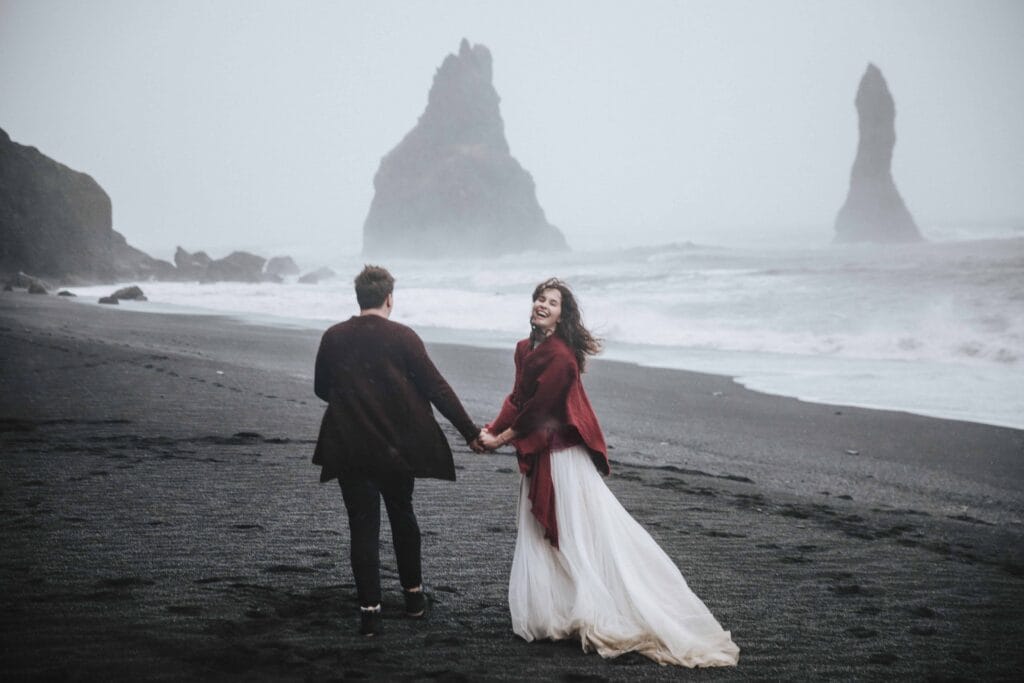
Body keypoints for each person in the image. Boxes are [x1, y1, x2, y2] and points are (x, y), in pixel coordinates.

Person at [478, 277, 739, 667]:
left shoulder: (563, 358)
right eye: (540, 299)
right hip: (541, 452)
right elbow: (517, 399)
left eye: (552, 302)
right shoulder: (523, 349)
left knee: (581, 534)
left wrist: (499, 440)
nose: (543, 305)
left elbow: (541, 412)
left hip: (564, 459)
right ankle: (555, 612)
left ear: (562, 316)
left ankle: (597, 606)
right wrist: (491, 429)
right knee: (544, 535)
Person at [313, 265, 482, 637]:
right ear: (390, 298)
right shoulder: (404, 337)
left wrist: (357, 396)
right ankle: (414, 600)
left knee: (363, 527)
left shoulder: (333, 336)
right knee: (402, 516)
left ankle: (370, 614)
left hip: (349, 445)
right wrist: (471, 433)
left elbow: (322, 389)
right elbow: (436, 388)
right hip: (394, 447)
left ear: (359, 298)